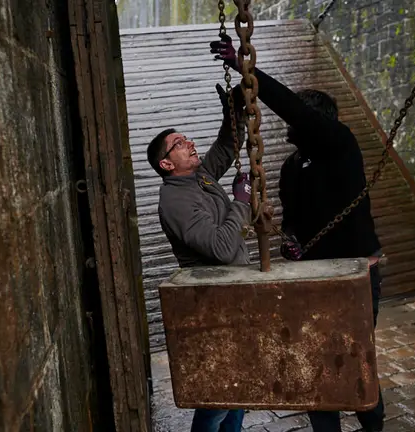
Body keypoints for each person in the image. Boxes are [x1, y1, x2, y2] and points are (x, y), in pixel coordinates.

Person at [210, 35, 385, 432]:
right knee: (315, 361)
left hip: (356, 272)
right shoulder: (293, 166)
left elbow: (292, 107)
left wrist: (246, 69)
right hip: (312, 276)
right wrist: (288, 238)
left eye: (297, 119)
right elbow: (293, 219)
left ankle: (373, 426)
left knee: (354, 356)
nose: (289, 124)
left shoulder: (342, 145)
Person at [147, 83, 250, 432]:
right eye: (179, 144)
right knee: (220, 396)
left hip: (235, 294)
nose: (189, 143)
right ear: (165, 163)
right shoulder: (174, 201)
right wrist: (241, 201)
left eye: (187, 138)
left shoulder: (200, 177)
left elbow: (227, 146)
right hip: (215, 304)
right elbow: (220, 249)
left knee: (237, 391)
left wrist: (232, 114)